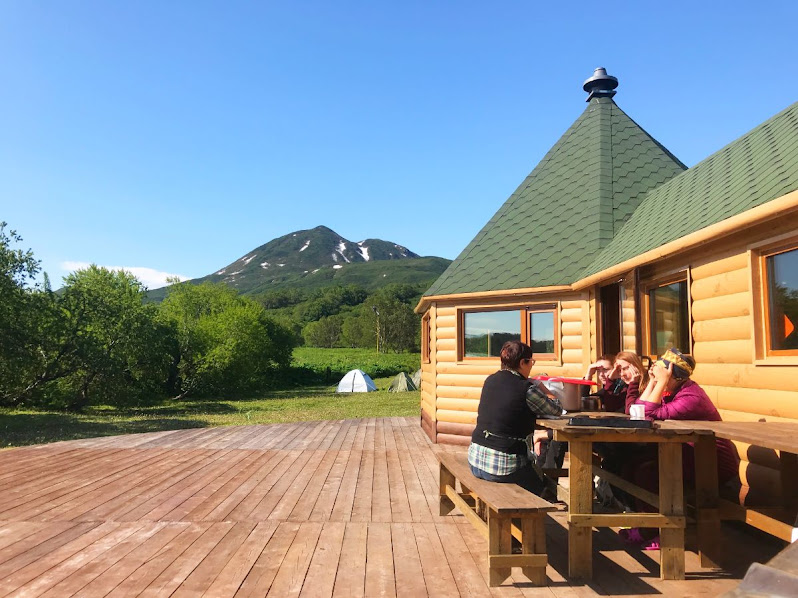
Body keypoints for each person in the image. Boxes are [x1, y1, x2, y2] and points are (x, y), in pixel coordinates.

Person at [617, 348, 739, 549]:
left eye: (660, 375)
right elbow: (637, 412)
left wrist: (659, 382)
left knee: (647, 472)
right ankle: (648, 524)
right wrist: (656, 382)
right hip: (688, 456)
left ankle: (659, 531)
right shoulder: (673, 391)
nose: (655, 377)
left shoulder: (691, 397)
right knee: (631, 466)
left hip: (710, 463)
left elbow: (648, 411)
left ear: (674, 377)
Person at [468, 340, 563, 496]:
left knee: (535, 473)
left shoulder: (490, 380)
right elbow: (557, 410)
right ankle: (530, 517)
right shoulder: (527, 389)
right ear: (522, 363)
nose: (532, 365)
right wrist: (544, 388)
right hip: (502, 468)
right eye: (531, 362)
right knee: (543, 487)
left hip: (476, 460)